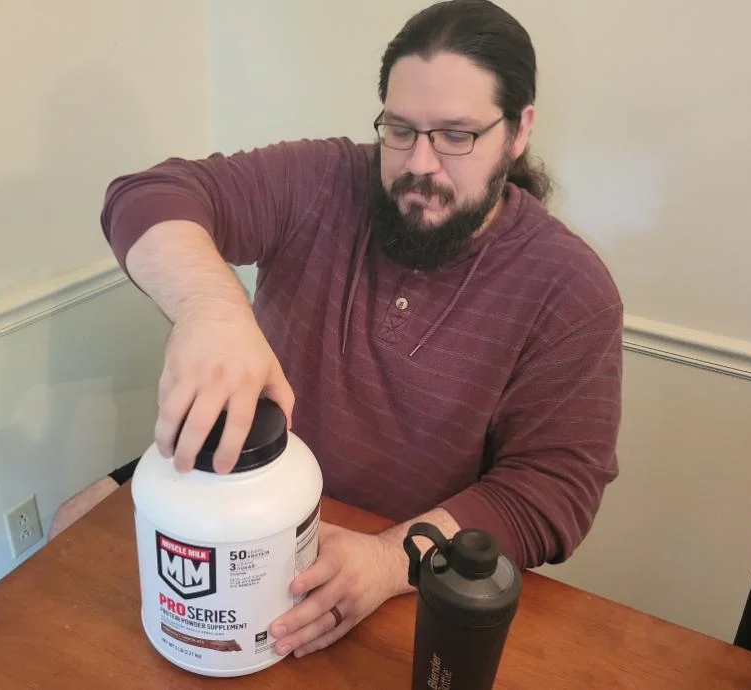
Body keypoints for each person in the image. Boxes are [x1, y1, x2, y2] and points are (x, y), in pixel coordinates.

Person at [51, 0, 623, 660]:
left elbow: (552, 492)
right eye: (400, 130)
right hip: (234, 508)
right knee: (68, 537)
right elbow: (148, 195)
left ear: (518, 131)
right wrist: (214, 309)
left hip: (386, 570)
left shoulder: (571, 289)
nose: (421, 165)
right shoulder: (324, 180)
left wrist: (389, 561)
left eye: (457, 136)